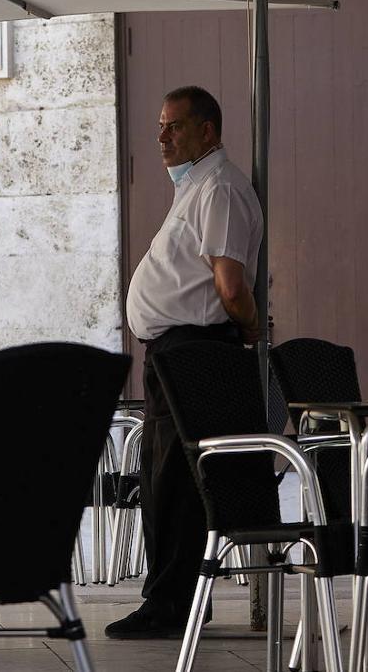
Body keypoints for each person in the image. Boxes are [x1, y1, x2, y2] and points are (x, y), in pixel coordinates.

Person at [105, 85, 263, 639]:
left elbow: (231, 284)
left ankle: (170, 605)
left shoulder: (218, 188)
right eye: (160, 126)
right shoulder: (196, 187)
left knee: (174, 481)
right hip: (172, 351)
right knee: (160, 476)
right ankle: (172, 598)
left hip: (193, 351)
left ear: (208, 131)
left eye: (175, 126)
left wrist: (249, 326)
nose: (162, 137)